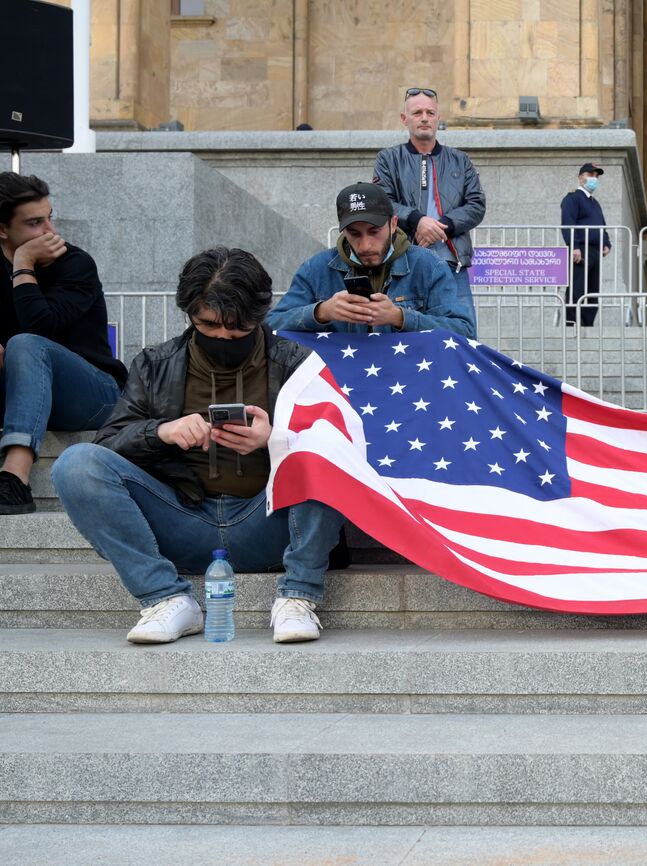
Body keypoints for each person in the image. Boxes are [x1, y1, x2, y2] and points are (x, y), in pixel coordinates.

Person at [52, 248, 347, 644]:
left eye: (237, 328)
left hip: (270, 524)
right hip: (181, 519)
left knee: (323, 448)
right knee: (76, 463)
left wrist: (275, 440)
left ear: (259, 316)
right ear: (188, 313)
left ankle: (299, 595)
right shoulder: (155, 364)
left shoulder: (298, 362)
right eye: (208, 325)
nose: (223, 336)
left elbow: (343, 447)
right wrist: (161, 431)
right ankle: (164, 598)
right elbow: (108, 443)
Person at [0, 172, 127, 514]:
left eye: (49, 217)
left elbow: (43, 330)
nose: (49, 232)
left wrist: (23, 264)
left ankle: (14, 479)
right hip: (21, 391)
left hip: (94, 393)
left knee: (25, 344)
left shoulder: (76, 264)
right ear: (2, 229)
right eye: (34, 223)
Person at [268, 182, 476, 337]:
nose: (365, 245)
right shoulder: (316, 269)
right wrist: (321, 312)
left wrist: (399, 317)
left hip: (410, 383)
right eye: (354, 234)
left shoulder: (429, 266)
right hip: (340, 386)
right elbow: (271, 325)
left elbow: (464, 332)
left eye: (374, 232)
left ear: (393, 224)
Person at [372, 87, 485, 327]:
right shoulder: (388, 159)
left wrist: (442, 226)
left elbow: (476, 204)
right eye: (417, 112)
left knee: (462, 338)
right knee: (404, 338)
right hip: (404, 264)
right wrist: (417, 220)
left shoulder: (460, 160)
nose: (425, 118)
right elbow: (382, 202)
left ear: (438, 117)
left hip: (452, 265)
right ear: (405, 118)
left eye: (430, 112)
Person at [560, 162, 612, 326]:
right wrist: (574, 246)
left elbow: (601, 225)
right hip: (581, 250)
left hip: (595, 251)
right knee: (577, 288)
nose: (594, 179)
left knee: (592, 291)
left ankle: (588, 324)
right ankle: (572, 322)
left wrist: (606, 243)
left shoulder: (594, 203)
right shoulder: (573, 198)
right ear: (580, 177)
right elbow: (568, 223)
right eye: (590, 175)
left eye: (596, 176)